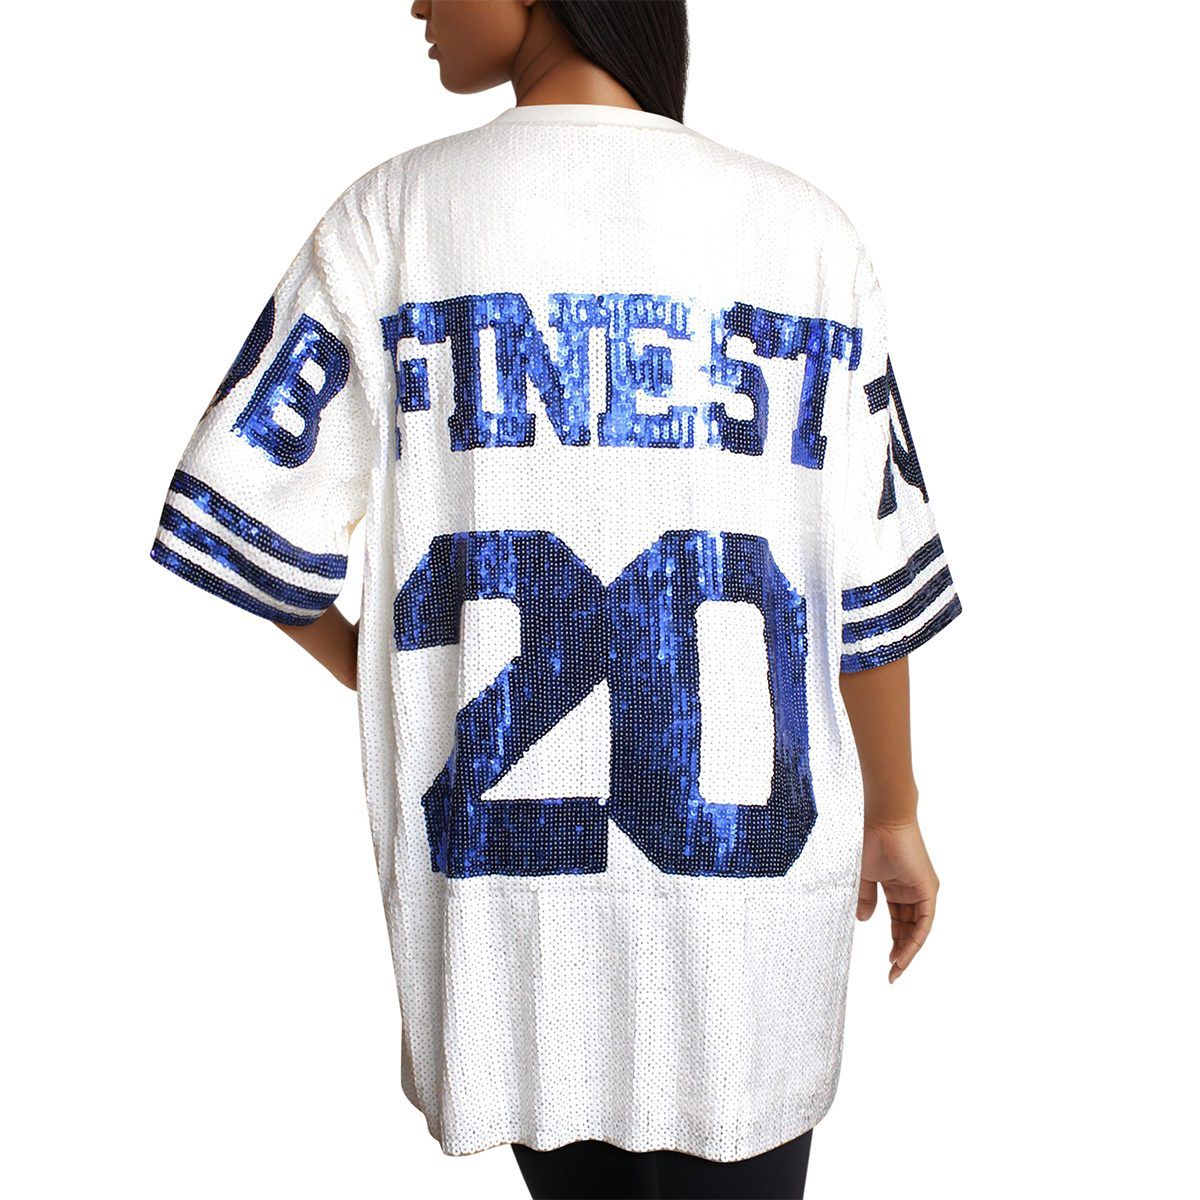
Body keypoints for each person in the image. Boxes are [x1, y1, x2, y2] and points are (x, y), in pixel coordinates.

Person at [146, 1, 963, 1196]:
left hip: (512, 936)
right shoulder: (808, 237)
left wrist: (398, 673)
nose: (417, 5)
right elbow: (870, 588)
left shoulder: (393, 220)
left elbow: (244, 509)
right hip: (747, 934)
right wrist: (893, 807)